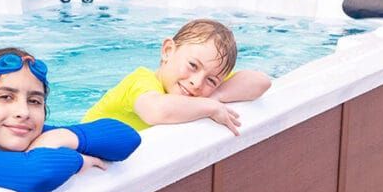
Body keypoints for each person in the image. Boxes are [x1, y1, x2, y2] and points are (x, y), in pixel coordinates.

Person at [0, 47, 141, 192]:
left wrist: (61, 137)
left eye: (34, 101)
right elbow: (37, 173)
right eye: (5, 97)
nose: (23, 112)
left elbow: (126, 138)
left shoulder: (32, 135)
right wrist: (79, 160)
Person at [82, 18, 270, 136]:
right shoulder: (141, 80)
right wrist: (209, 106)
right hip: (80, 148)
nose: (197, 83)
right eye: (193, 65)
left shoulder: (204, 89)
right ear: (168, 51)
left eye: (211, 80)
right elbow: (156, 111)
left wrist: (216, 96)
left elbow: (261, 82)